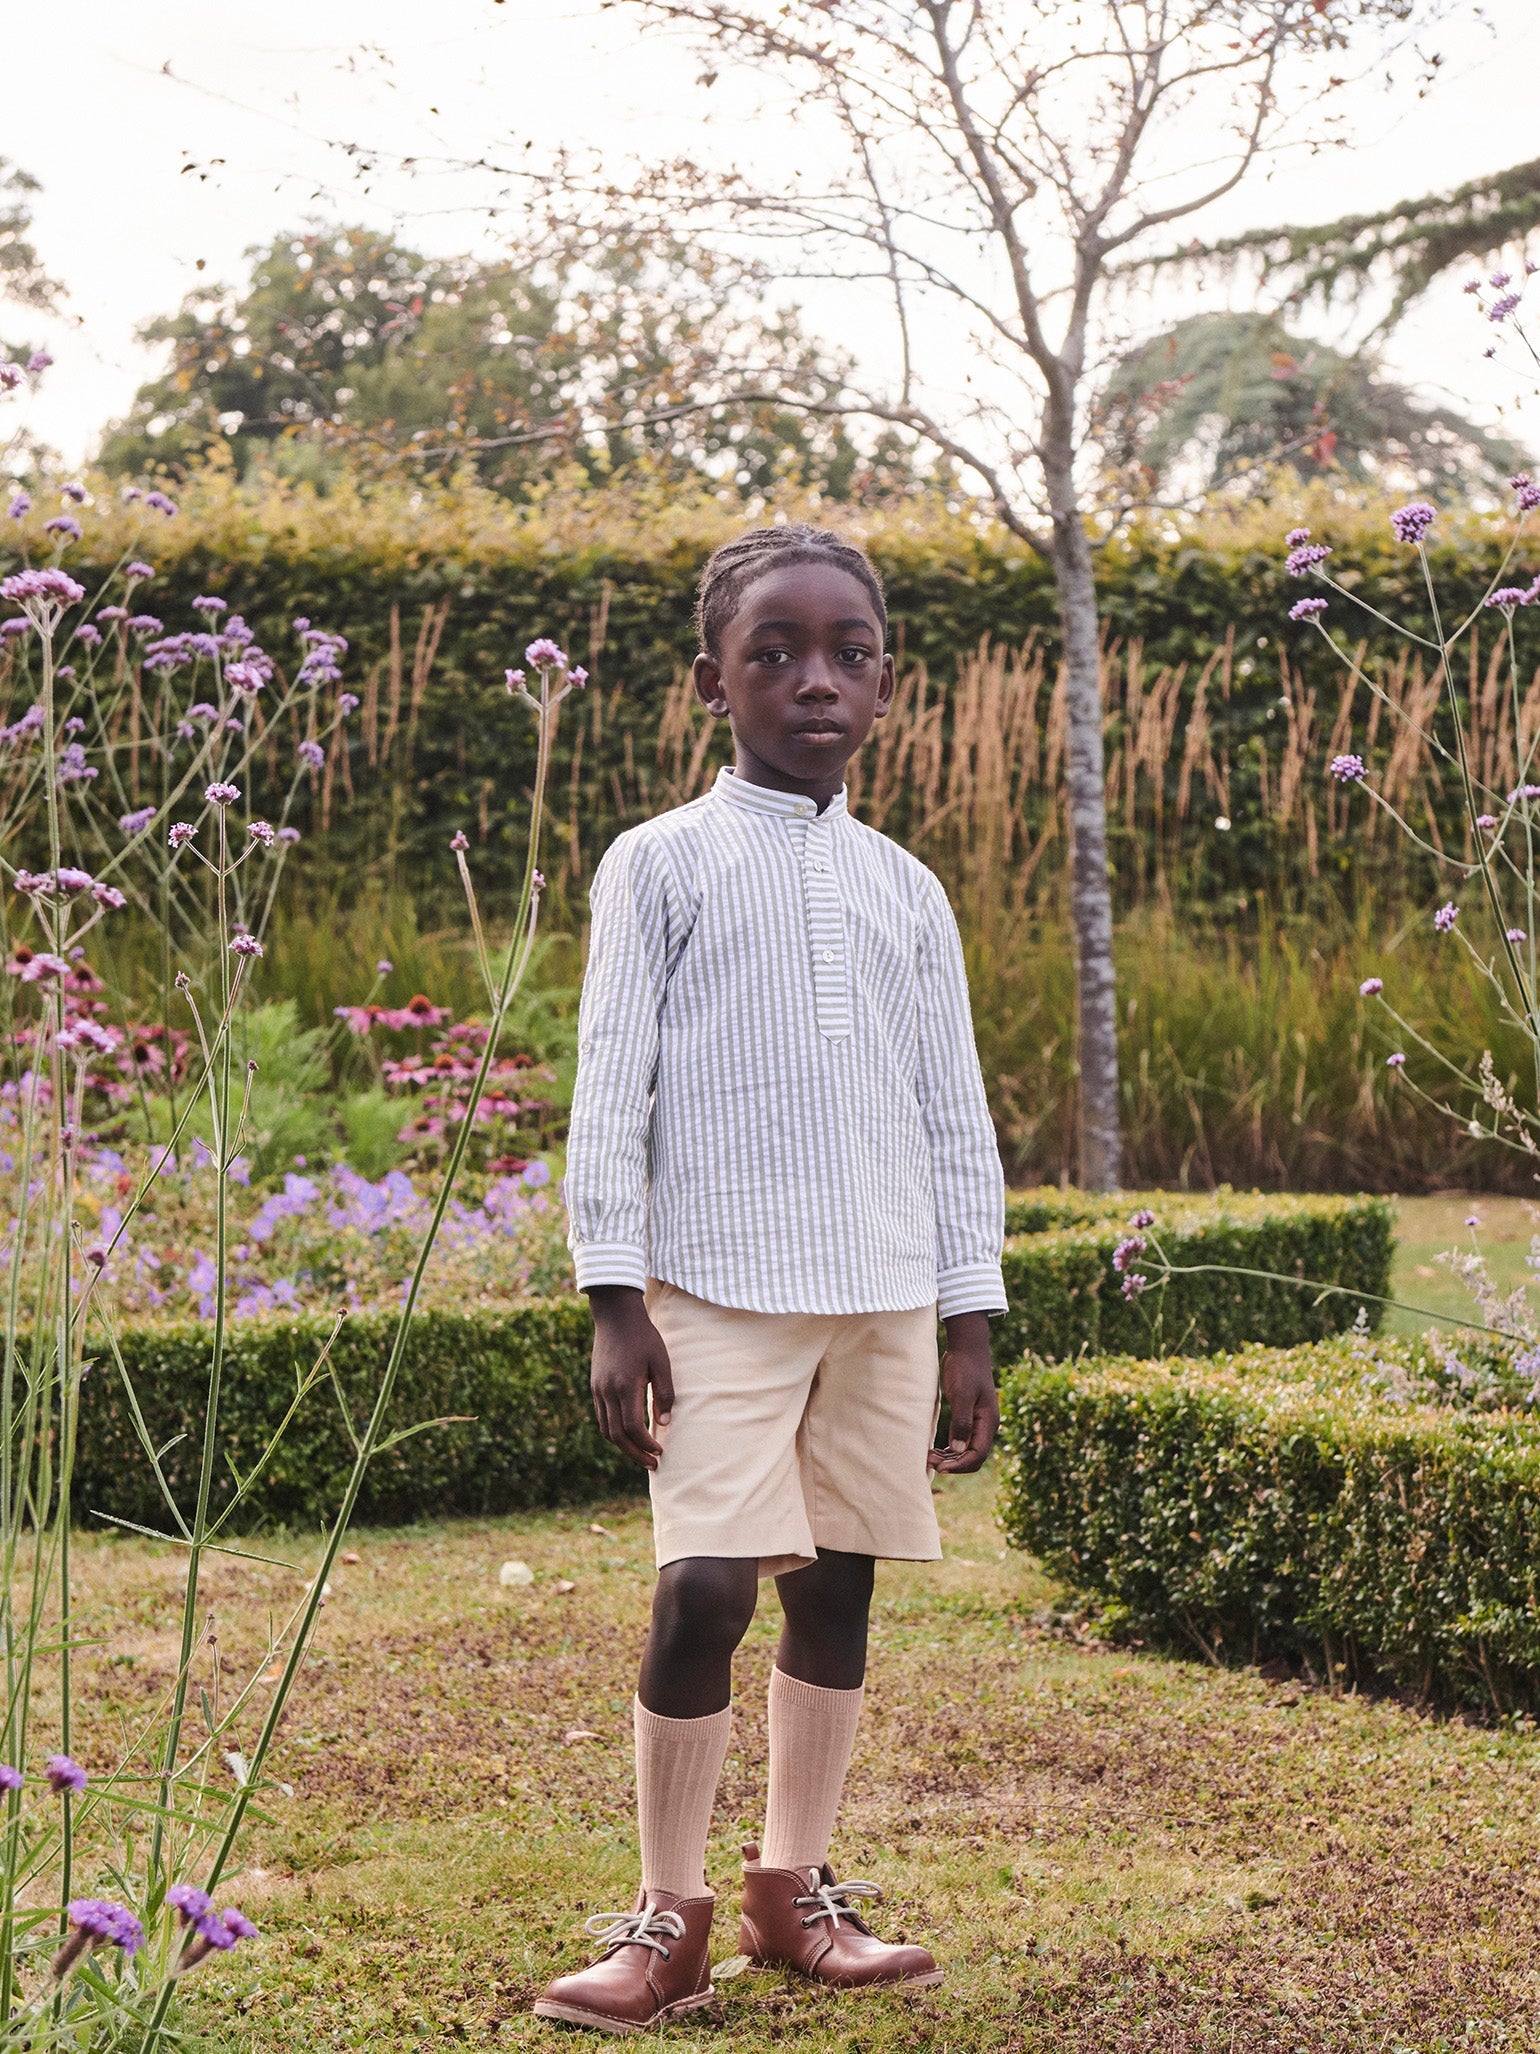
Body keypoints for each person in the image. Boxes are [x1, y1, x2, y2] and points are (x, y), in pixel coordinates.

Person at [533, 523, 1005, 2034]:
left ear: (885, 680)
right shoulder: (658, 863)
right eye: (777, 653)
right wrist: (615, 1291)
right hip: (715, 1290)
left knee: (843, 1577)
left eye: (848, 655)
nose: (817, 681)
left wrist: (968, 1310)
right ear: (711, 680)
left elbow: (951, 1107)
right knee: (705, 1587)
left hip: (876, 1287)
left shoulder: (904, 888)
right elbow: (611, 1086)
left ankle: (789, 1893)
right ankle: (664, 1914)